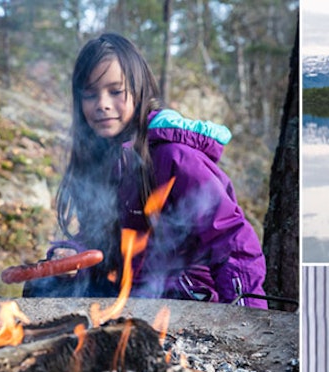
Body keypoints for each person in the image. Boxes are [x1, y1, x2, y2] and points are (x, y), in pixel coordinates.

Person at [25, 33, 267, 307]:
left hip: (183, 297)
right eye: (90, 94)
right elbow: (99, 237)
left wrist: (247, 316)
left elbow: (231, 238)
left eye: (115, 91)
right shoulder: (99, 158)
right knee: (42, 289)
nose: (102, 104)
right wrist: (72, 254)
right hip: (126, 292)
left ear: (139, 92)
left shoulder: (173, 156)